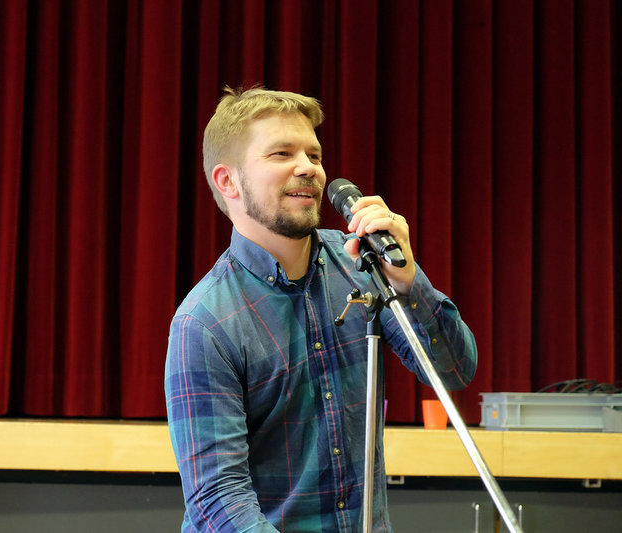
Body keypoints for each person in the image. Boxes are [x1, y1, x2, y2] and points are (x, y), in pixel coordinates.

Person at [164, 86, 477, 532]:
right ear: (227, 181)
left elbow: (455, 370)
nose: (308, 167)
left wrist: (409, 283)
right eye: (282, 153)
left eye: (314, 154)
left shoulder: (360, 264)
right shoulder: (204, 323)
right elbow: (218, 500)